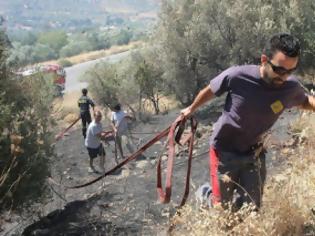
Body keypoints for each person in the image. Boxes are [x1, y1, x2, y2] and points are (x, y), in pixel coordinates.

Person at [181, 33, 315, 211]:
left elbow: (304, 101)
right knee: (221, 208)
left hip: (254, 152)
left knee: (252, 208)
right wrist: (191, 109)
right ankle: (206, 194)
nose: (283, 77)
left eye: (290, 71)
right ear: (264, 60)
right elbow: (211, 89)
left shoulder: (290, 88)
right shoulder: (238, 76)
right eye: (279, 70)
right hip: (224, 151)